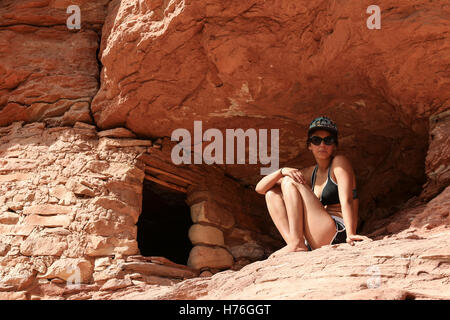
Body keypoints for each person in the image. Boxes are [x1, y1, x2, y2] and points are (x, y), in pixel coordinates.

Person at [255, 116, 371, 258]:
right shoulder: (310, 172)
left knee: (289, 182)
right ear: (309, 145)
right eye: (316, 140)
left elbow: (347, 200)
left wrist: (351, 234)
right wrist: (281, 171)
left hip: (337, 232)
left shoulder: (339, 163)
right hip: (316, 236)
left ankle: (297, 244)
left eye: (328, 140)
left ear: (334, 145)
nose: (322, 145)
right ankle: (294, 243)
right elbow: (260, 189)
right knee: (272, 193)